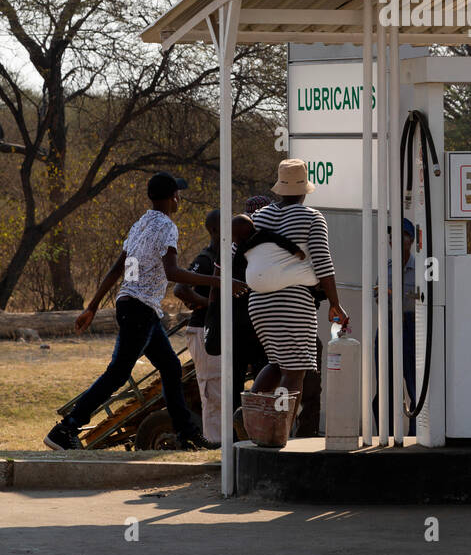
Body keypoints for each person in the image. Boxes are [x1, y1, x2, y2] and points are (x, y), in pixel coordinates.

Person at [44, 173, 247, 452]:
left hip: (137, 306)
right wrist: (221, 281)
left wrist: (92, 306)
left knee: (170, 367)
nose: (180, 198)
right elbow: (173, 272)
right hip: (138, 309)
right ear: (172, 196)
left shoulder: (140, 224)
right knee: (117, 373)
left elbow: (118, 268)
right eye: (178, 193)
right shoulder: (167, 226)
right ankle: (66, 428)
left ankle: (186, 432)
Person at [246, 159, 348, 423]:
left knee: (276, 362)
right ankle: (281, 428)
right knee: (295, 371)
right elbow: (324, 263)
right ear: (305, 190)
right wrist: (335, 304)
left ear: (278, 189)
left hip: (258, 302)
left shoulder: (260, 216)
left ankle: (249, 412)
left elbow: (240, 251)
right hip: (293, 302)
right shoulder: (312, 217)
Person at [175, 209, 222, 445]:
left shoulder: (226, 256)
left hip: (217, 331)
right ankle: (214, 442)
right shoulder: (206, 259)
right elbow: (180, 289)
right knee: (212, 388)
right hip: (203, 330)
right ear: (213, 230)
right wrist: (211, 305)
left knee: (222, 388)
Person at [373, 218, 417, 437]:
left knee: (414, 385)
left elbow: (422, 300)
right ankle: (387, 434)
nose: (395, 240)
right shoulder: (386, 267)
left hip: (411, 328)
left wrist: (401, 298)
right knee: (385, 386)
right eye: (392, 236)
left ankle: (417, 436)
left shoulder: (420, 269)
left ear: (411, 240)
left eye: (402, 236)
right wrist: (382, 294)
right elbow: (377, 294)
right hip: (388, 325)